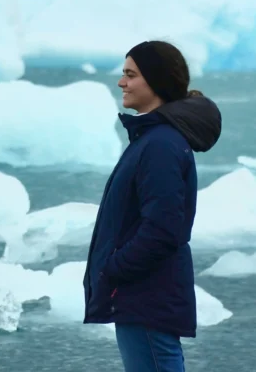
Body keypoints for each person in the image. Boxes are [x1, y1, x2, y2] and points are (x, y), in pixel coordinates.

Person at [82, 40, 222, 371]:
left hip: (145, 297)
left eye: (130, 74)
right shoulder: (153, 139)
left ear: (156, 81)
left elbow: (163, 229)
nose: (121, 82)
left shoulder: (160, 144)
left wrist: (114, 267)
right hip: (142, 297)